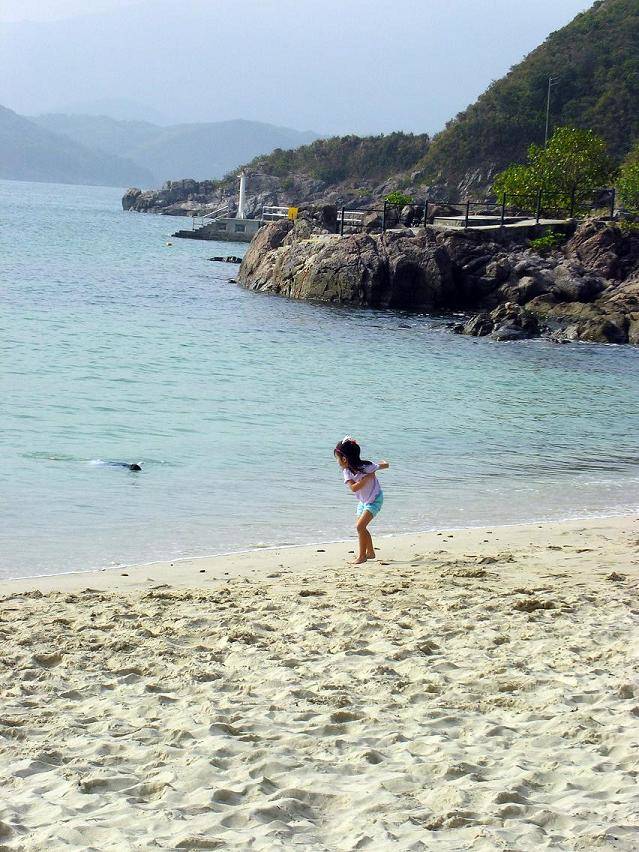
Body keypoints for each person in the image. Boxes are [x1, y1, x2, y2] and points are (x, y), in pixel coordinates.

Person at [334, 436, 389, 564]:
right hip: (363, 502)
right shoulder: (347, 471)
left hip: (375, 499)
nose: (337, 461)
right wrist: (367, 478)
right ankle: (370, 552)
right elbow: (353, 488)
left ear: (344, 459)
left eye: (337, 458)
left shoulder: (367, 466)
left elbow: (386, 465)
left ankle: (362, 556)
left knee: (360, 527)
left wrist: (381, 463)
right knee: (361, 527)